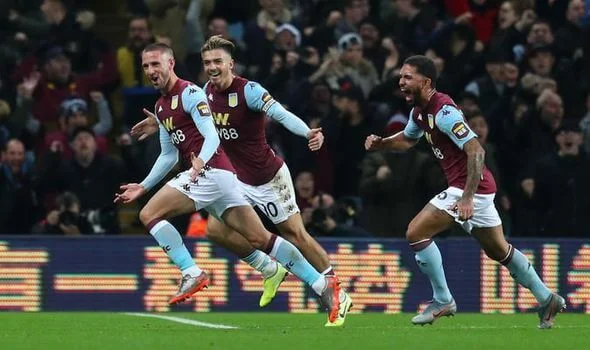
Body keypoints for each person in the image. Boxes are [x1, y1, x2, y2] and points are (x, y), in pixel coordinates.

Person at [131, 36, 353, 327]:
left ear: (230, 64)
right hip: (235, 177)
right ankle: (268, 268)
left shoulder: (248, 91)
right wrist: (160, 122)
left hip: (268, 177)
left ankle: (335, 289)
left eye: (218, 61)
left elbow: (281, 114)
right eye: (207, 62)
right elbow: (184, 120)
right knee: (216, 231)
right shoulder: (204, 93)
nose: (212, 67)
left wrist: (308, 132)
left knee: (295, 234)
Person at [364, 55, 565, 329]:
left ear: (426, 82)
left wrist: (468, 196)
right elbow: (407, 141)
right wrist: (381, 143)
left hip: (470, 188)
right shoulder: (419, 114)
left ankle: (443, 299)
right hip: (476, 187)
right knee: (500, 251)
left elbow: (476, 150)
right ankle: (547, 298)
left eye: (407, 77)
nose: (400, 82)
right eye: (400, 77)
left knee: (416, 232)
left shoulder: (444, 112)